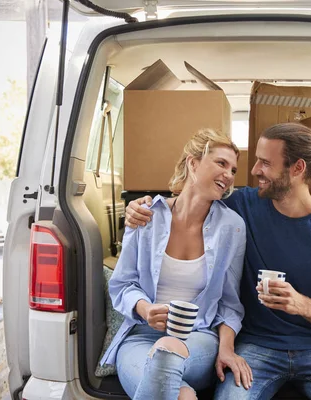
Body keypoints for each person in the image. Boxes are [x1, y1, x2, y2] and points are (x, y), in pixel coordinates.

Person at [125, 123, 311, 399]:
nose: (254, 170)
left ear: (297, 169)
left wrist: (299, 304)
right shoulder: (241, 205)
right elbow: (193, 198)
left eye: (265, 163)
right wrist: (139, 207)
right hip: (256, 346)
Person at [101, 129, 253, 400]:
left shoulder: (232, 227)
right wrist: (146, 310)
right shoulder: (146, 216)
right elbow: (123, 285)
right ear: (192, 163)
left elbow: (229, 303)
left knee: (167, 351)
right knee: (179, 395)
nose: (229, 175)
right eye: (221, 163)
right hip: (140, 337)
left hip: (198, 339)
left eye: (233, 169)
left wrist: (227, 349)